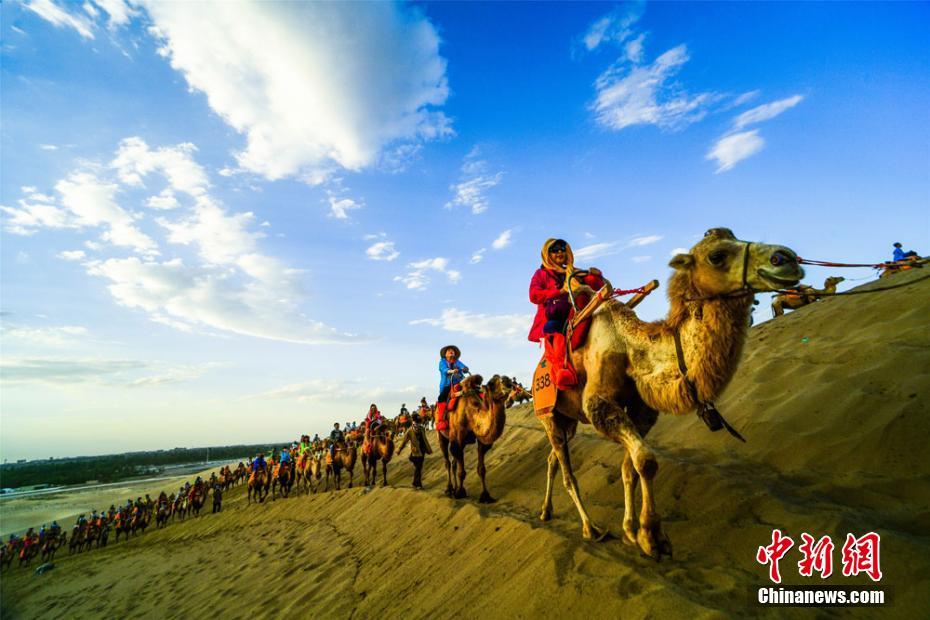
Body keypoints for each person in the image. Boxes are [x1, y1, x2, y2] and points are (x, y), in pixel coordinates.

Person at [528, 238, 606, 390]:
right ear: (547, 254)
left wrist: (597, 275)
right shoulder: (541, 274)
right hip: (555, 316)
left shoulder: (575, 272)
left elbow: (597, 285)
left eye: (562, 248)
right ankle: (561, 371)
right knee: (552, 327)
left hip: (577, 311)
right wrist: (560, 291)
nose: (559, 252)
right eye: (554, 249)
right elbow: (534, 295)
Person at [435, 345, 469, 432]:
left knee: (474, 389)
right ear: (445, 354)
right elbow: (444, 370)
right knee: (441, 398)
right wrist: (452, 371)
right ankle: (441, 420)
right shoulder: (442, 362)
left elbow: (463, 366)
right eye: (449, 350)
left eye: (452, 350)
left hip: (460, 382)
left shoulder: (457, 361)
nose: (451, 351)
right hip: (448, 384)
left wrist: (465, 369)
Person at [396, 413, 432, 489]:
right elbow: (404, 441)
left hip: (422, 450)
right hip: (416, 451)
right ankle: (417, 484)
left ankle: (416, 483)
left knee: (419, 467)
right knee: (418, 467)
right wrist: (399, 449)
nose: (417, 423)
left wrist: (427, 448)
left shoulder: (422, 428)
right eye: (417, 421)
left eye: (418, 421)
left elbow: (424, 439)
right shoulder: (410, 430)